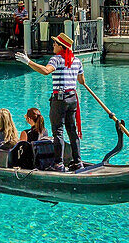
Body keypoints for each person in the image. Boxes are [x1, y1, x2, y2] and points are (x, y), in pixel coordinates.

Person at [15, 32, 85, 171]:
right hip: (72, 99)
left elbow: (46, 71)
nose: (53, 45)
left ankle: (58, 163)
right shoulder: (77, 61)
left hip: (59, 99)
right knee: (72, 130)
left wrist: (28, 62)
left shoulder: (56, 59)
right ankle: (78, 161)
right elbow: (81, 81)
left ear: (61, 47)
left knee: (57, 131)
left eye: (55, 43)